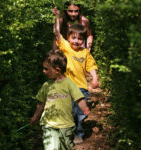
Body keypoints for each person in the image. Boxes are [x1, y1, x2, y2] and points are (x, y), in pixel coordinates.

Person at [53, 8, 99, 144]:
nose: (76, 41)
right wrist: (57, 18)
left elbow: (91, 66)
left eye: (80, 39)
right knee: (67, 111)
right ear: (68, 38)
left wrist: (95, 78)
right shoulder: (66, 47)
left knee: (78, 112)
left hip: (81, 87)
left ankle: (78, 133)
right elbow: (56, 33)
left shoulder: (85, 53)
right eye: (73, 38)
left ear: (83, 40)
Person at [30, 49, 90, 150]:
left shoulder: (69, 84)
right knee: (51, 147)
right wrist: (35, 117)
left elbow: (79, 98)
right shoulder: (46, 86)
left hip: (66, 125)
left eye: (46, 69)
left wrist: (85, 109)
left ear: (57, 70)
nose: (43, 71)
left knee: (65, 147)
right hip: (49, 124)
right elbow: (41, 103)